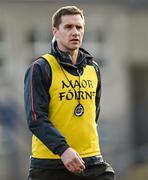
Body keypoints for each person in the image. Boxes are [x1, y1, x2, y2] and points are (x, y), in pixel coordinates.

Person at [24, 6, 115, 180]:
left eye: (79, 27)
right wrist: (63, 150)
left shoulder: (93, 68)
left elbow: (93, 114)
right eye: (68, 27)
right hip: (50, 165)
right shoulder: (40, 68)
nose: (75, 32)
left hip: (91, 161)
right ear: (55, 31)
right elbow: (36, 119)